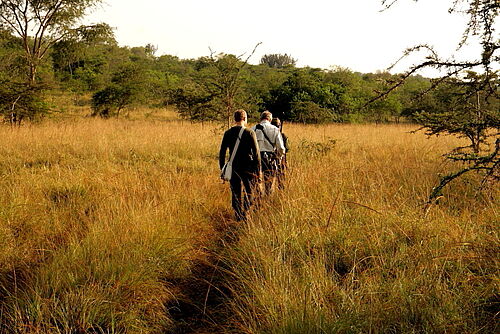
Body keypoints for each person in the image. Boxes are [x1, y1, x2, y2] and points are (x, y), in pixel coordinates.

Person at [219, 109, 261, 221]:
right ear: (245, 119)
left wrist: (222, 169)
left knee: (235, 192)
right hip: (248, 167)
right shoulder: (250, 133)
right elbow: (257, 154)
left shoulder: (228, 133)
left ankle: (238, 215)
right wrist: (258, 171)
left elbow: (222, 153)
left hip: (233, 167)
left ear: (234, 119)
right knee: (249, 191)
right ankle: (246, 212)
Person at [252, 111, 285, 195]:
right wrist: (278, 157)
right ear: (270, 119)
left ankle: (258, 200)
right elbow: (281, 148)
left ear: (261, 118)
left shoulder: (253, 129)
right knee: (268, 184)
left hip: (256, 159)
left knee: (256, 183)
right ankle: (267, 200)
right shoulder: (275, 129)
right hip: (270, 159)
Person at [271, 117, 289, 190]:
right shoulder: (283, 136)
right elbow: (287, 149)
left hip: (271, 160)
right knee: (281, 181)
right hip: (281, 161)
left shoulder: (269, 134)